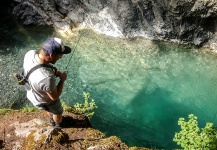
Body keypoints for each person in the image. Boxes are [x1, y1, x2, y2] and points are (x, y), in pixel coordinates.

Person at [23, 37, 71, 128]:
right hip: (44, 100)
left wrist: (53, 72)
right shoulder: (46, 78)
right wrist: (62, 80)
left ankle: (52, 119)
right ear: (52, 55)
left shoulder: (30, 53)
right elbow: (54, 97)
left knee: (48, 109)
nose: (61, 57)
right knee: (57, 111)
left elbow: (37, 70)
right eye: (60, 55)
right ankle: (59, 124)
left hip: (33, 95)